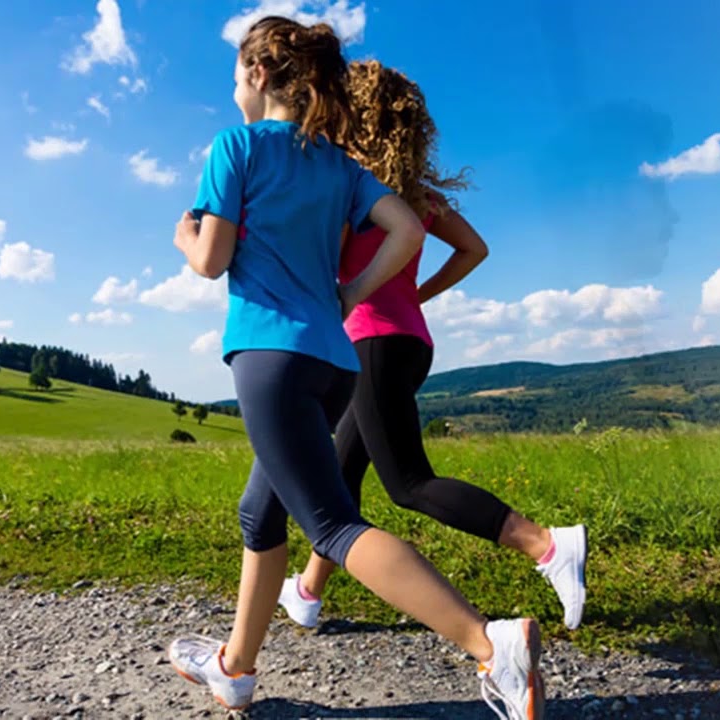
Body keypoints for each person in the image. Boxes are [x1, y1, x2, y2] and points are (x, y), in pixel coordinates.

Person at [164, 17, 544, 720]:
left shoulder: (236, 147)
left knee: (333, 525)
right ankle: (235, 669)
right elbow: (406, 229)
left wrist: (185, 233)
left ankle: (491, 646)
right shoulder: (340, 166)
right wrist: (351, 293)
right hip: (335, 361)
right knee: (260, 510)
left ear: (256, 75)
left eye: (235, 74)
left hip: (269, 357)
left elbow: (212, 261)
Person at [275, 60, 588, 634]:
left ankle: (546, 545)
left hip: (369, 345)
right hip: (409, 343)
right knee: (341, 479)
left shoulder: (349, 189)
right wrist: (416, 293)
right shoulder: (414, 195)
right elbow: (474, 249)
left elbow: (322, 269)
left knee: (409, 483)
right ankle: (307, 592)